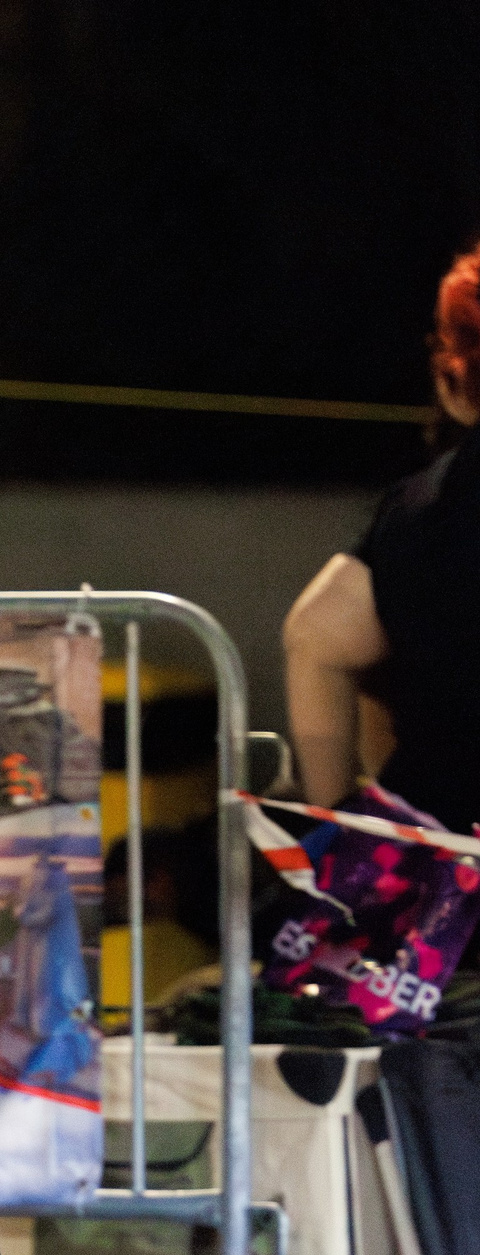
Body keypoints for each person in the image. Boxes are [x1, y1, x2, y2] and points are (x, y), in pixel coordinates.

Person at [284, 239, 480, 830]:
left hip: (447, 865)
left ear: (454, 378)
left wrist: (336, 825)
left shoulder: (426, 509)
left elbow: (315, 635)